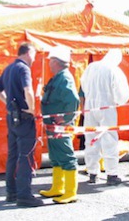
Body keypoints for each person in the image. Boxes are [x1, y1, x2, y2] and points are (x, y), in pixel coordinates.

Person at [0, 42, 43, 207]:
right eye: (34, 54)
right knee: (26, 156)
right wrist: (31, 109)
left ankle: (11, 192)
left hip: (12, 117)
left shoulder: (9, 68)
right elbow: (28, 90)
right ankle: (24, 195)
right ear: (28, 52)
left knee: (13, 156)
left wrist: (7, 102)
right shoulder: (24, 68)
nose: (34, 58)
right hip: (23, 118)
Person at [80, 49, 129, 185]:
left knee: (91, 139)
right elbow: (122, 94)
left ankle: (92, 173)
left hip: (90, 107)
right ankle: (111, 174)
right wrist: (117, 101)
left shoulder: (91, 67)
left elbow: (83, 85)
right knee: (109, 139)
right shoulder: (114, 70)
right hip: (107, 108)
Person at [38, 46, 80, 204]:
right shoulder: (58, 77)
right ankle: (58, 188)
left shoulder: (64, 78)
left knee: (66, 156)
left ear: (56, 62)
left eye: (50, 61)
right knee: (55, 156)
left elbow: (73, 100)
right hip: (52, 126)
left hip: (60, 127)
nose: (49, 64)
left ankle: (70, 192)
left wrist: (65, 118)